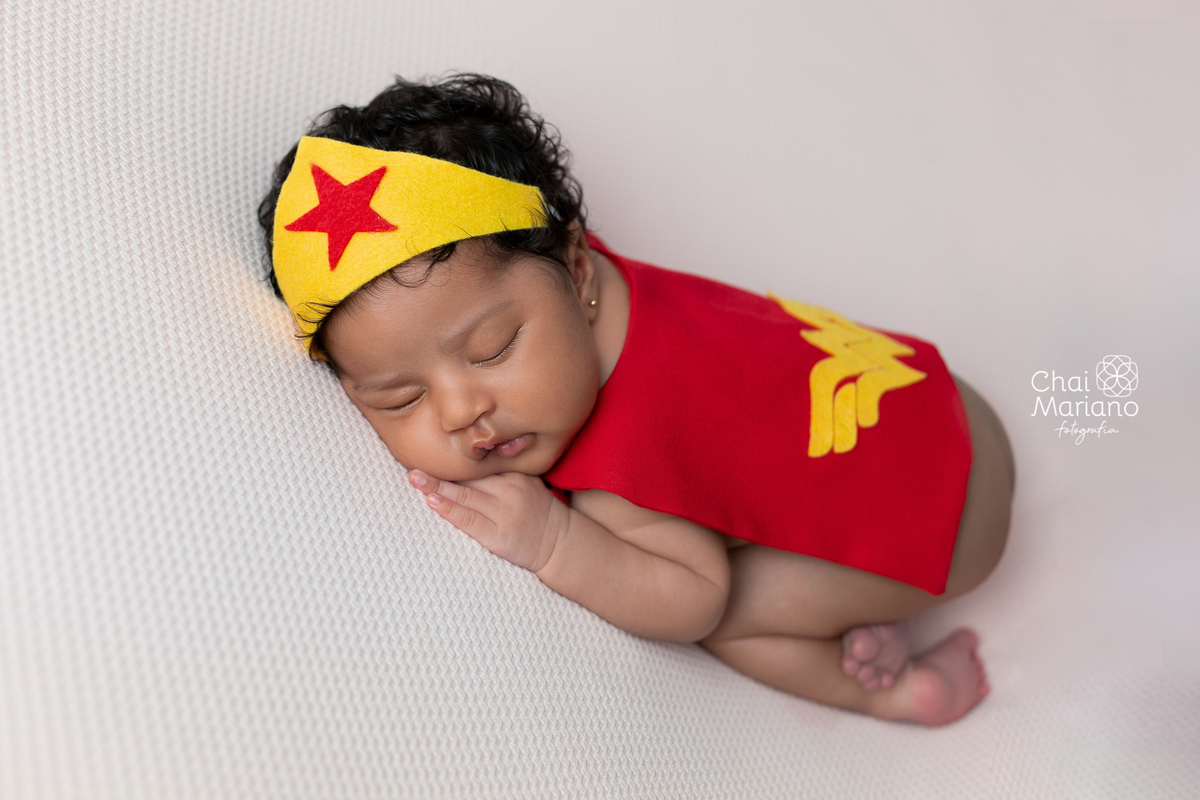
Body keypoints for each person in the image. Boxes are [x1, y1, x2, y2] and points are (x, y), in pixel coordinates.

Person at [258, 73, 1015, 726]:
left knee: (732, 622)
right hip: (935, 394)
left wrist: (554, 541)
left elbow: (693, 599)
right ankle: (852, 606)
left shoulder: (627, 466)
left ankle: (900, 691)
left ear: (576, 268)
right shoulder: (575, 283)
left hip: (951, 527)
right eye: (400, 398)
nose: (460, 411)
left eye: (492, 350)